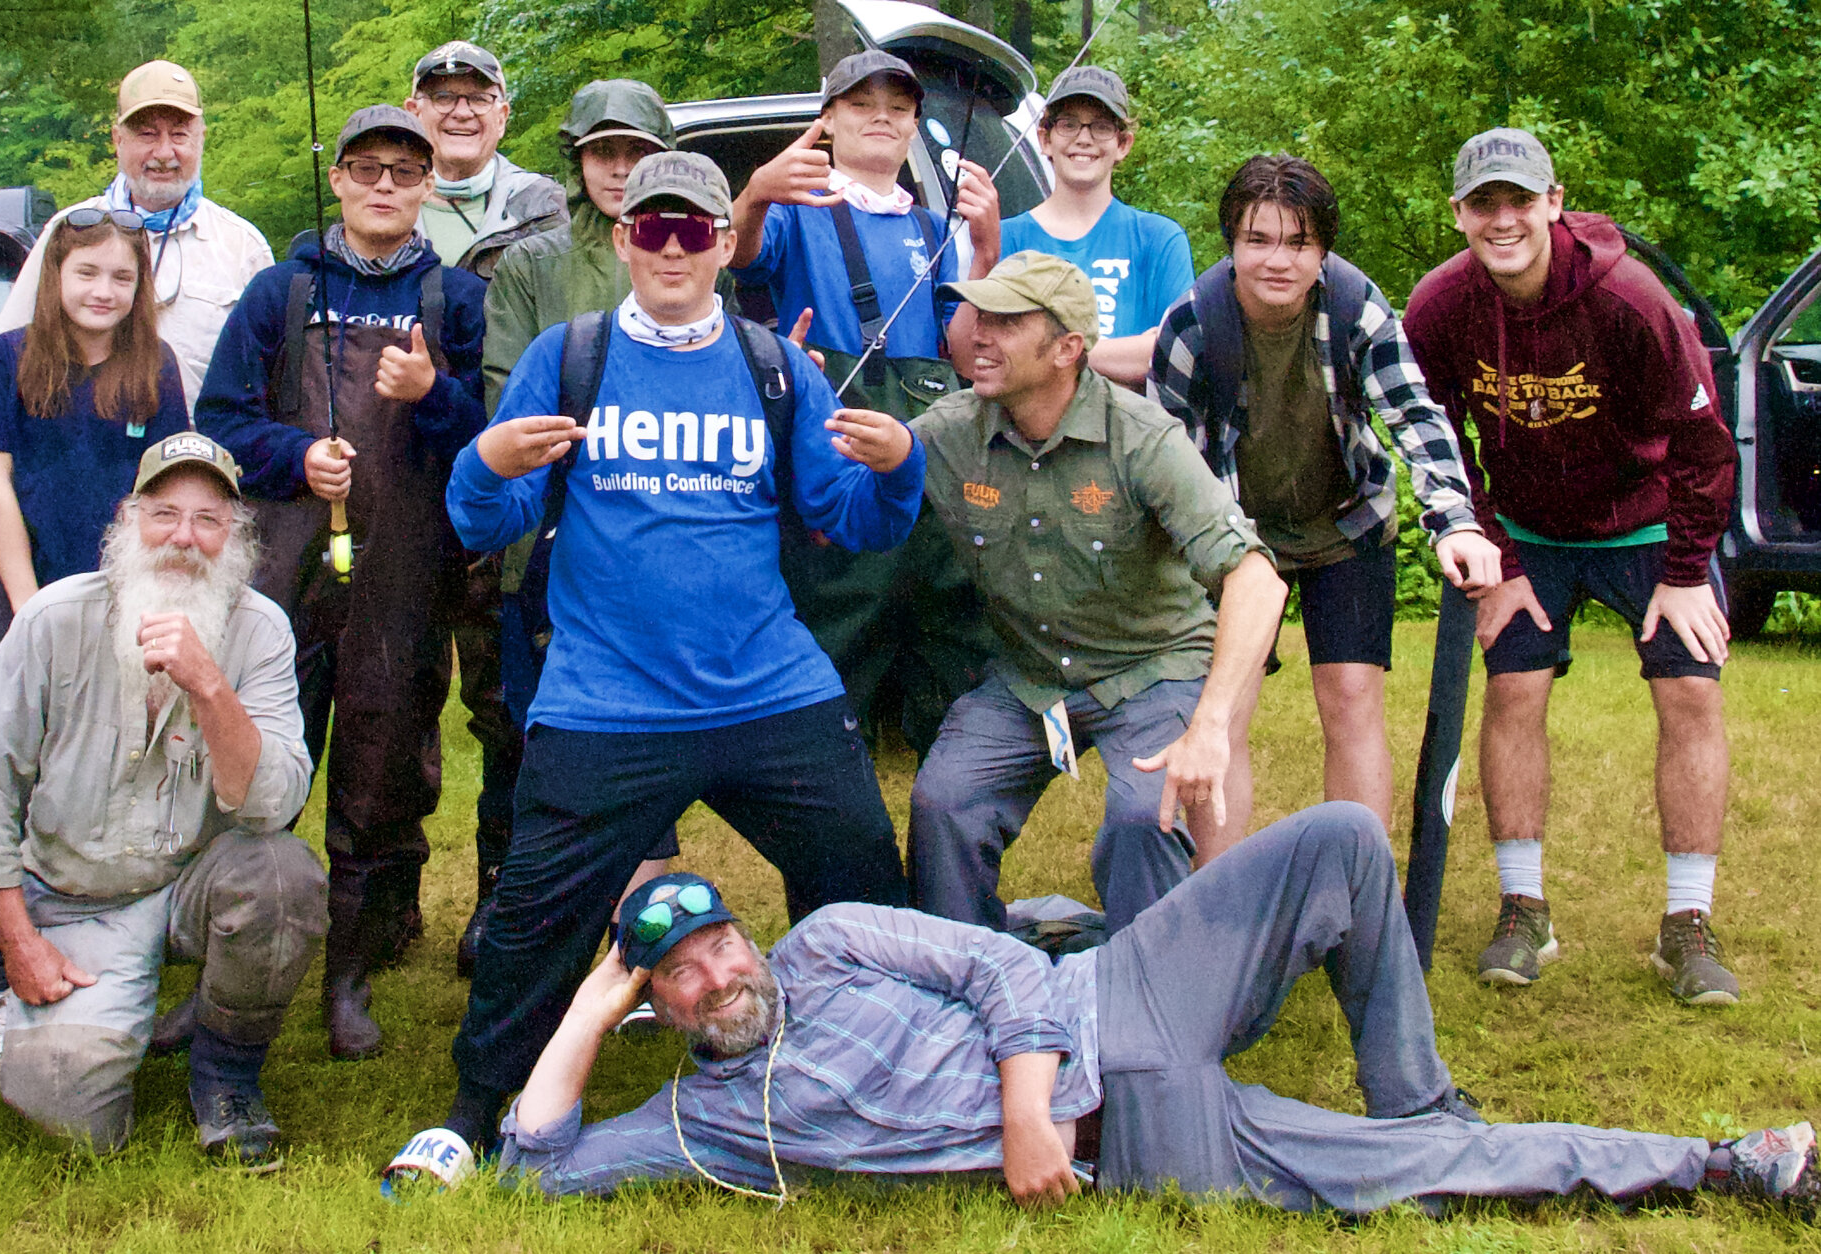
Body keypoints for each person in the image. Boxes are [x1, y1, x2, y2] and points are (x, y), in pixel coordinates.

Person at [475, 805, 1821, 1216]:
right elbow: (535, 1169)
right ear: (662, 1004)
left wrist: (1018, 1117)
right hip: (1142, 1135)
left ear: (746, 931)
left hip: (1116, 991)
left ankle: (1418, 1086)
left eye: (714, 944)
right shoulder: (711, 1117)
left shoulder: (828, 940)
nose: (713, 976)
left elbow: (1004, 970)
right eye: (679, 977)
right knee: (1419, 1183)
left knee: (1346, 839)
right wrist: (593, 1009)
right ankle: (1728, 1159)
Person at [407, 150, 917, 1162]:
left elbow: (846, 519)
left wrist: (899, 470)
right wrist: (480, 461)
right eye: (653, 228)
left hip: (769, 688)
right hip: (608, 701)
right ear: (622, 240)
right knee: (530, 920)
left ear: (727, 243)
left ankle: (863, 1063)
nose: (674, 247)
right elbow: (490, 515)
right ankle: (477, 1107)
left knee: (861, 872)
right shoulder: (572, 355)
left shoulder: (776, 367)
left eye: (695, 229)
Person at [1403, 128, 1740, 1004]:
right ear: (1460, 215)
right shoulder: (1439, 308)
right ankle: (1524, 909)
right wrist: (1499, 556)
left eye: (1521, 200)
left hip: (1650, 525)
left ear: (1555, 202)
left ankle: (1687, 925)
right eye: (1485, 204)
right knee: (1515, 689)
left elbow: (1705, 444)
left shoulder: (1631, 300)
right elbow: (1434, 443)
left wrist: (1684, 570)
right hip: (1528, 530)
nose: (1503, 219)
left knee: (1691, 689)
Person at [0, 434, 323, 1168]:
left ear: (235, 536)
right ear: (127, 520)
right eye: (165, 514)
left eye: (209, 520)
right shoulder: (53, 621)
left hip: (194, 883)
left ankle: (225, 1072)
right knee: (69, 1112)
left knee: (282, 873)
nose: (184, 538)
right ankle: (131, 1013)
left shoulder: (262, 630)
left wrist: (210, 685)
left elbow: (275, 801)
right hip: (77, 899)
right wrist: (19, 945)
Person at [196, 104, 486, 1062]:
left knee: (380, 765)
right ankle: (226, 961)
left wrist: (429, 395)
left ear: (428, 186)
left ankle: (349, 975)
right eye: (366, 168)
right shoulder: (278, 291)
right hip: (283, 570)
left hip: (403, 574)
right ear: (339, 180)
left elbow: (484, 438)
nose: (385, 186)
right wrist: (291, 454)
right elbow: (219, 420)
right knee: (260, 764)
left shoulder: (457, 299)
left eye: (405, 172)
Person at [906, 252, 1282, 933]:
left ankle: (1144, 994)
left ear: (1067, 349)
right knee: (943, 801)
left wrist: (1210, 727)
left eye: (1005, 322)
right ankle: (962, 978)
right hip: (1029, 679)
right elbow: (842, 491)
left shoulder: (1142, 439)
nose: (976, 334)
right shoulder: (946, 433)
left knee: (1146, 815)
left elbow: (1255, 578)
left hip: (1151, 669)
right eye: (976, 316)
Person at [1147, 155, 1503, 850]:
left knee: (1351, 702)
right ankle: (1215, 900)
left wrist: (1454, 519)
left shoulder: (1357, 307)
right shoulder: (1191, 325)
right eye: (1258, 240)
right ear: (1231, 244)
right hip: (1236, 541)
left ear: (1324, 249)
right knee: (1224, 711)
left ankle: (1355, 900)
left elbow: (1414, 416)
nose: (1277, 260)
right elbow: (1169, 469)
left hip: (1347, 526)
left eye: (1298, 243)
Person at [0, 206, 194, 1063]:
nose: (103, 291)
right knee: (10, 780)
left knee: (110, 767)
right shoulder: (11, 359)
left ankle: (120, 938)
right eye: (87, 273)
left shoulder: (155, 368)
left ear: (140, 291)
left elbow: (163, 500)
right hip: (22, 599)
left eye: (121, 278)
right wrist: (27, 614)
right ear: (56, 278)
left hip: (124, 605)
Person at [458, 77, 677, 984]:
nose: (619, 169)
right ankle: (510, 908)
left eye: (636, 152)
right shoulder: (530, 263)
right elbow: (507, 397)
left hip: (657, 545)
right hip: (546, 545)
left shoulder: (696, 250)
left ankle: (643, 933)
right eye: (602, 152)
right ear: (575, 158)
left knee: (649, 748)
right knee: (524, 737)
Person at [730, 49, 1003, 754]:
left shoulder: (930, 227)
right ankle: (824, 730)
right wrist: (757, 191)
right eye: (859, 104)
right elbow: (734, 253)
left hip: (925, 421)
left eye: (898, 107)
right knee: (840, 583)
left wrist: (985, 247)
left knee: (938, 575)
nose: (880, 116)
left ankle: (950, 728)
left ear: (915, 127)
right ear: (827, 121)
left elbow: (966, 351)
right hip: (837, 414)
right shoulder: (796, 206)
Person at [0, 59, 272, 405]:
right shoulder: (65, 231)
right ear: (117, 140)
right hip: (81, 447)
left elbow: (270, 381)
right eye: (147, 134)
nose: (164, 152)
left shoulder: (243, 248)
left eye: (180, 134)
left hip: (201, 452)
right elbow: (9, 356)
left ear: (201, 139)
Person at [997, 66, 1194, 389]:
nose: (1084, 138)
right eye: (1068, 124)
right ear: (1044, 139)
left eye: (1101, 126)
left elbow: (1171, 351)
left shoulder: (1159, 239)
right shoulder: (1008, 238)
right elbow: (1000, 354)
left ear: (1124, 144)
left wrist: (1049, 353)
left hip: (1130, 435)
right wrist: (1122, 354)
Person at [404, 40, 568, 279]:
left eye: (479, 99)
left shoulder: (546, 209)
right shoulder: (377, 206)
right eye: (443, 97)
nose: (461, 112)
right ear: (414, 113)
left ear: (502, 118)